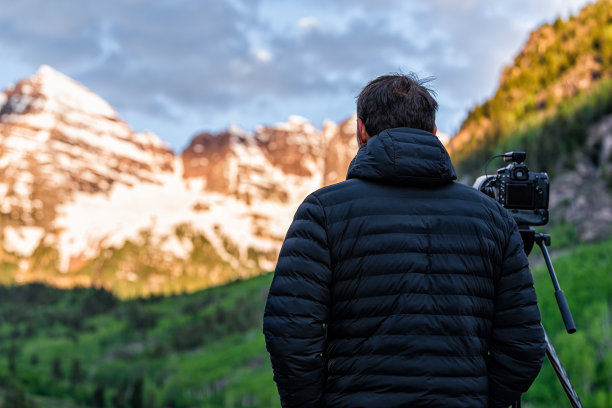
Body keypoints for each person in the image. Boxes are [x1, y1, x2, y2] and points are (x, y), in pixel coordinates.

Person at [263, 73, 546, 408]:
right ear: (434, 134)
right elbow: (524, 344)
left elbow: (291, 335)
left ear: (361, 132)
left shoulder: (322, 212)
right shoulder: (494, 220)